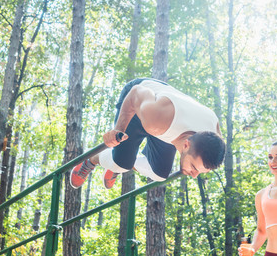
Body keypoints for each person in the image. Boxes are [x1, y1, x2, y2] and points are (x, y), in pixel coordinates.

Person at [70, 78, 226, 189]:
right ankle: (94, 159)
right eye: (194, 167)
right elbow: (135, 93)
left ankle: (119, 160)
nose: (194, 175)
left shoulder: (213, 137)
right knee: (121, 163)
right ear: (186, 144)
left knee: (159, 174)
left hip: (164, 117)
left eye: (198, 171)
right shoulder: (157, 120)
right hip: (139, 101)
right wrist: (117, 131)